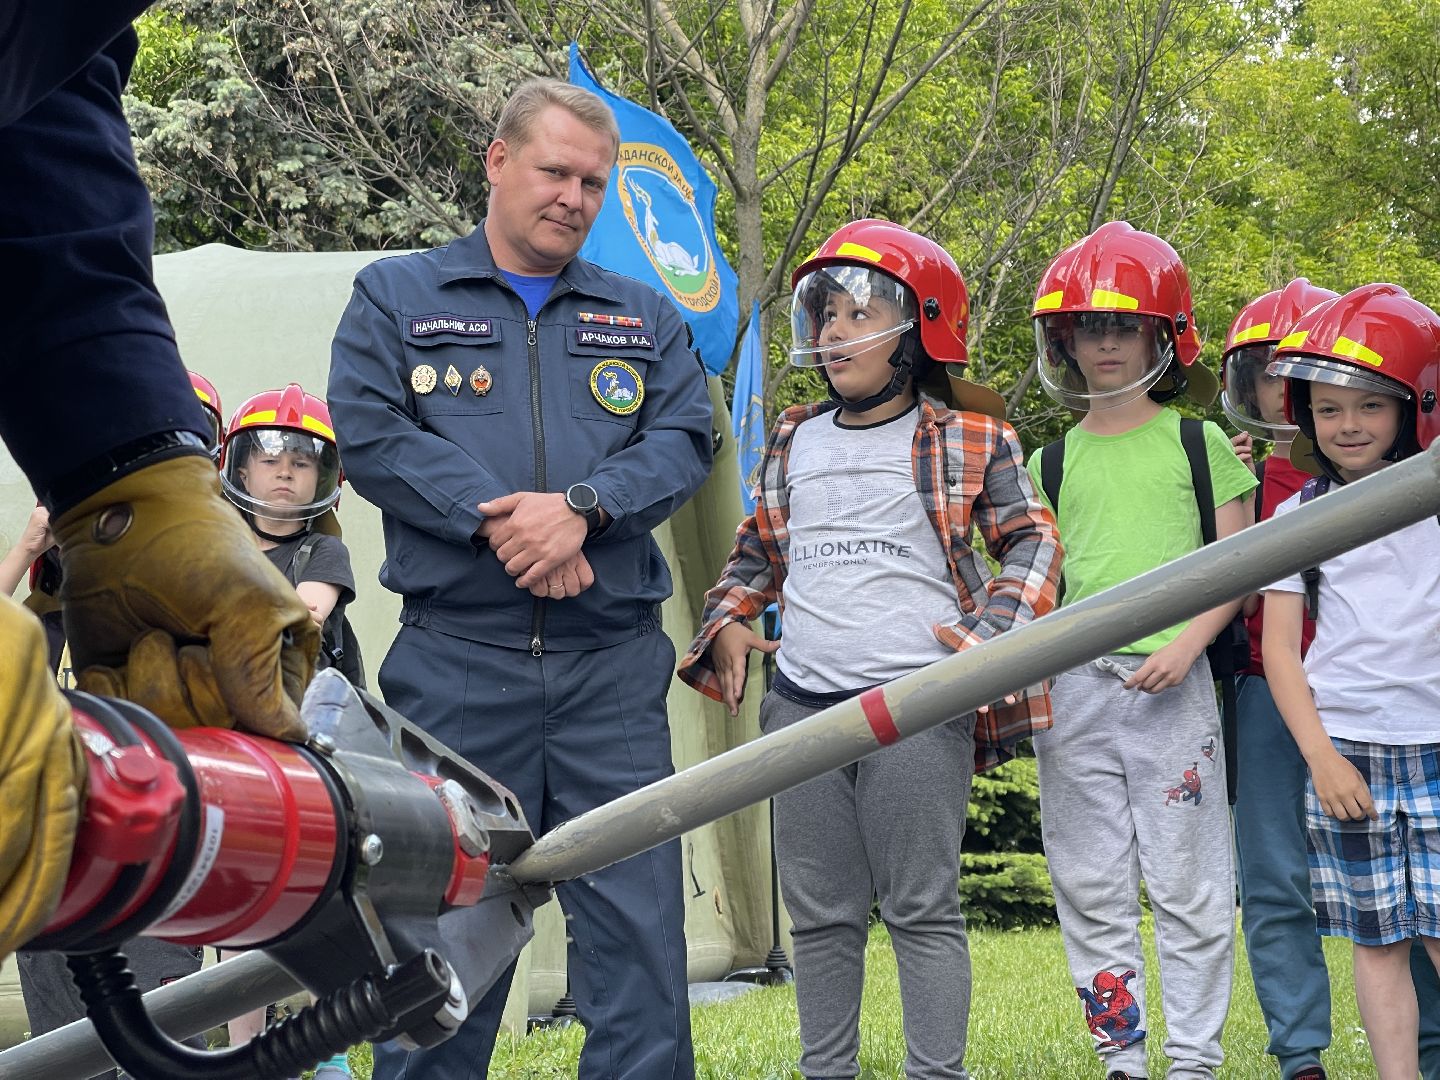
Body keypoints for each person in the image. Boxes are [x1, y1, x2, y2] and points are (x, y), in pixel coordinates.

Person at [327, 77, 712, 1080]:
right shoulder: (397, 297)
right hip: (456, 676)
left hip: (610, 679)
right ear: (498, 163)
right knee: (435, 960)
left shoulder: (644, 315)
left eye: (594, 182)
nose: (575, 197)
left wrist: (582, 508)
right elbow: (370, 432)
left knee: (640, 959)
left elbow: (685, 438)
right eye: (556, 172)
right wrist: (505, 520)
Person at [678, 220, 1062, 1079]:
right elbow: (756, 555)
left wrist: (982, 647)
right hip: (803, 703)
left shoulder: (973, 435)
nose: (835, 333)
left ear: (920, 329)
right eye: (825, 315)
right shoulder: (793, 435)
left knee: (922, 908)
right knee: (818, 915)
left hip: (917, 705)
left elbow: (1035, 543)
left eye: (860, 314)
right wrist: (731, 616)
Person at [1026, 221, 1256, 1080]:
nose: (1107, 342)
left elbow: (1240, 565)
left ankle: (1193, 1059)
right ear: (1065, 342)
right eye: (1089, 327)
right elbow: (1038, 584)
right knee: (1089, 883)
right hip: (1074, 695)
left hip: (1176, 685)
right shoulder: (1046, 462)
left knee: (1191, 884)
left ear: (1164, 336)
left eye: (1124, 326)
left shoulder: (1197, 444)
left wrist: (1189, 645)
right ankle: (1121, 1056)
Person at [7, 370, 232, 1076]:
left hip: (155, 861)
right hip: (54, 863)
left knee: (158, 1046)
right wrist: (27, 549)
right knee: (58, 1050)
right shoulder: (46, 596)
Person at [1261, 283, 1440, 1080]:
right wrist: (1322, 758)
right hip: (1350, 753)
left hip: (1436, 745)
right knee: (1379, 942)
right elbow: (1277, 654)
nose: (1349, 426)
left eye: (1370, 404)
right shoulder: (1297, 516)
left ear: (1417, 404)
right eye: (1328, 409)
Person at [217, 384, 358, 1080]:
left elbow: (300, 616)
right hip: (234, 759)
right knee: (238, 917)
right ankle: (246, 1054)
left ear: (325, 479)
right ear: (239, 467)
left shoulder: (320, 556)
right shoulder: (213, 549)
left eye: (303, 461)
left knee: (316, 909)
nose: (284, 471)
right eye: (270, 455)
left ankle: (322, 1053)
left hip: (311, 764)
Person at [1220, 279, 1338, 1080]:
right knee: (1271, 878)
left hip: (1372, 695)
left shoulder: (1394, 469)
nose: (1285, 393)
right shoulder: (1239, 479)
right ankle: (1300, 1054)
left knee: (1418, 880)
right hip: (1266, 687)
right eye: (1268, 373)